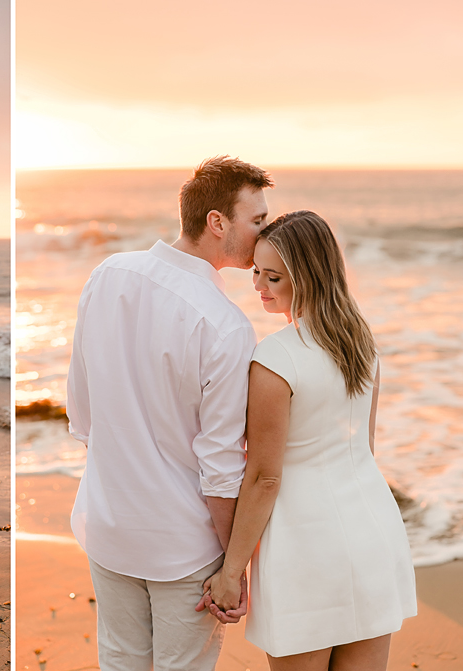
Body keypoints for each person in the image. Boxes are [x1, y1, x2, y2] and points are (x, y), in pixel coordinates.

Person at [66, 156, 273, 670]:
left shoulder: (107, 273)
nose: (266, 231)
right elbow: (221, 465)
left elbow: (81, 408)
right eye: (258, 220)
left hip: (109, 525)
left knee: (119, 662)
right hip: (183, 543)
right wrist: (232, 566)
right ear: (217, 222)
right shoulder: (225, 325)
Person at [204, 211, 416, 670]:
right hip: (373, 532)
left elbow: (264, 477)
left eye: (273, 276)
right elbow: (365, 446)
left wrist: (231, 570)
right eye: (256, 271)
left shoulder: (276, 357)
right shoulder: (362, 341)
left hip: (305, 548)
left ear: (310, 276)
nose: (258, 284)